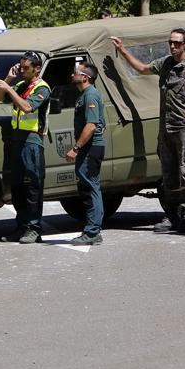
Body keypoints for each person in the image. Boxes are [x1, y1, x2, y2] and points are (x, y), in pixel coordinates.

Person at [110, 28, 185, 235]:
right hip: (166, 129)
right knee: (169, 174)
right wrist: (123, 50)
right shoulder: (165, 63)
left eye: (177, 43)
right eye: (171, 42)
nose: (173, 46)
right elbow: (143, 69)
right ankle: (171, 215)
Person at [0, 51, 52, 243]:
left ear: (37, 68)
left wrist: (10, 90)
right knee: (17, 187)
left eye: (26, 68)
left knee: (32, 187)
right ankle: (22, 226)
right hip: (18, 140)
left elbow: (27, 107)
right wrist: (8, 79)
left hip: (32, 140)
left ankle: (34, 228)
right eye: (21, 67)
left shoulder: (42, 88)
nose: (22, 70)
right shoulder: (18, 85)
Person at [65, 62, 106, 246]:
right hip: (91, 148)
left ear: (85, 77)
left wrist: (76, 148)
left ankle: (92, 232)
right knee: (88, 187)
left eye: (76, 72)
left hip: (90, 149)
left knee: (91, 188)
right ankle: (93, 229)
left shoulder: (90, 95)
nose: (72, 74)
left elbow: (92, 125)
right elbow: (102, 125)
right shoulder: (86, 95)